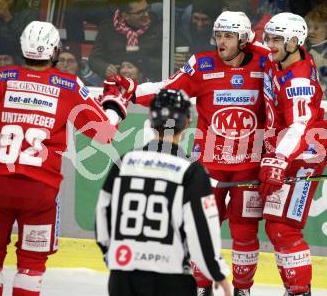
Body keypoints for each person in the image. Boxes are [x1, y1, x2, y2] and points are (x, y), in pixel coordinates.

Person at [0, 21, 134, 296]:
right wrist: (116, 99)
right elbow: (105, 132)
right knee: (31, 265)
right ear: (55, 51)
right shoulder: (69, 85)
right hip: (40, 192)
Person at [112, 11, 269, 296]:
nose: (221, 42)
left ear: (244, 39)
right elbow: (168, 89)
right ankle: (200, 286)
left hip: (250, 164)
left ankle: (243, 289)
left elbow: (292, 80)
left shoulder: (264, 62)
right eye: (219, 35)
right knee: (199, 225)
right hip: (208, 163)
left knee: (244, 231)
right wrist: (134, 91)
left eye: (229, 36)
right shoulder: (202, 63)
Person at [95, 89, 231, 296]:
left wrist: (111, 256)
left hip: (123, 277)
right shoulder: (192, 172)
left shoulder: (124, 162)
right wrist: (217, 273)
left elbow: (103, 214)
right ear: (188, 122)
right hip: (171, 279)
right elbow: (202, 230)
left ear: (151, 120)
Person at [261, 12, 327, 296]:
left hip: (303, 156)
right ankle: (295, 290)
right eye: (268, 37)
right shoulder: (281, 58)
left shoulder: (298, 81)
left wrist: (278, 160)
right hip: (293, 150)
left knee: (283, 228)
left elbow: (298, 125)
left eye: (276, 39)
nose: (269, 44)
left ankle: (299, 292)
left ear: (294, 41)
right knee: (275, 227)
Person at [88, 0, 162, 81]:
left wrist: (143, 63)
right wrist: (104, 67)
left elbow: (166, 62)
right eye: (140, 13)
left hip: (149, 82)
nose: (146, 14)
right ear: (125, 16)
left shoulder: (158, 26)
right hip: (116, 83)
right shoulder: (107, 28)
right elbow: (94, 59)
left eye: (147, 9)